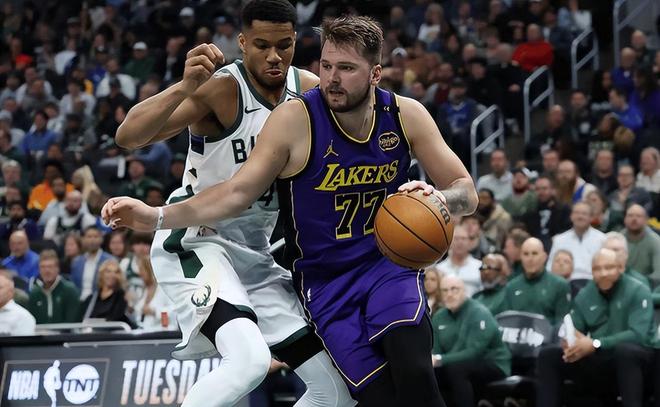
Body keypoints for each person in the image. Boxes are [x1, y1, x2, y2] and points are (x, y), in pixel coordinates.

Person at [102, 14, 479, 407]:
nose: (332, 78)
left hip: (336, 260)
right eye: (327, 66)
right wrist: (155, 215)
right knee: (259, 366)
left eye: (346, 68)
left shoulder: (386, 110)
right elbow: (231, 190)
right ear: (243, 43)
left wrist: (440, 199)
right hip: (236, 249)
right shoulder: (263, 104)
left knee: (371, 386)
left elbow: (465, 190)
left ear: (375, 74)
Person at [109, 2, 354, 407]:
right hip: (197, 238)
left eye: (284, 45)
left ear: (296, 42)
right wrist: (184, 86)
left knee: (338, 393)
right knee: (248, 362)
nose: (274, 56)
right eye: (261, 45)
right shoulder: (224, 88)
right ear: (242, 43)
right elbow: (128, 137)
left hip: (256, 252)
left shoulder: (310, 91)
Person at [536, 248, 656, 407]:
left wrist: (596, 343)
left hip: (639, 362)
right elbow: (575, 329)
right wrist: (571, 344)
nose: (603, 273)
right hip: (601, 360)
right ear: (591, 272)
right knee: (548, 355)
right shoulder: (586, 294)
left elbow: (638, 335)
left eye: (609, 267)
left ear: (621, 268)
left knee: (625, 351)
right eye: (597, 269)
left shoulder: (638, 290)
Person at [432, 275, 511, 407]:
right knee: (432, 373)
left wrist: (440, 359)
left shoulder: (479, 312)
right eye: (445, 290)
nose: (449, 294)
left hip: (492, 363)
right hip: (456, 364)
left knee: (456, 369)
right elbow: (436, 350)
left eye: (454, 289)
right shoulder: (439, 317)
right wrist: (435, 361)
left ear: (464, 291)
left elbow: (474, 352)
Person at [505, 237, 571, 325]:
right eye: (526, 254)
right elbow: (508, 322)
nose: (530, 258)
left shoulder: (560, 285)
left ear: (544, 257)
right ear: (521, 257)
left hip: (550, 333)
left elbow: (562, 323)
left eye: (534, 253)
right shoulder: (511, 287)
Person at [547, 202, 606, 281]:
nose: (580, 216)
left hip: (593, 282)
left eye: (584, 214)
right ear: (571, 216)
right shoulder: (559, 240)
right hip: (566, 282)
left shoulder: (602, 239)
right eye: (576, 213)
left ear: (591, 217)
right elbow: (550, 267)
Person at [28, 250, 81, 324]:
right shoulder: (35, 293)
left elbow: (72, 321)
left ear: (57, 269)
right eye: (43, 267)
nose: (47, 271)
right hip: (40, 331)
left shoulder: (70, 291)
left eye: (50, 267)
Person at [437, 225, 482, 297]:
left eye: (463, 238)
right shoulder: (439, 269)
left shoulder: (479, 267)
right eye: (456, 238)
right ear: (449, 242)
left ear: (469, 242)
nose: (460, 242)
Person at [622, 204, 660, 285]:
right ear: (625, 219)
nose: (634, 219)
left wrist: (638, 284)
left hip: (646, 285)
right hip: (620, 284)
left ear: (646, 220)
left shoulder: (656, 241)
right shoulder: (618, 239)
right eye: (630, 215)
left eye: (638, 216)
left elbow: (658, 274)